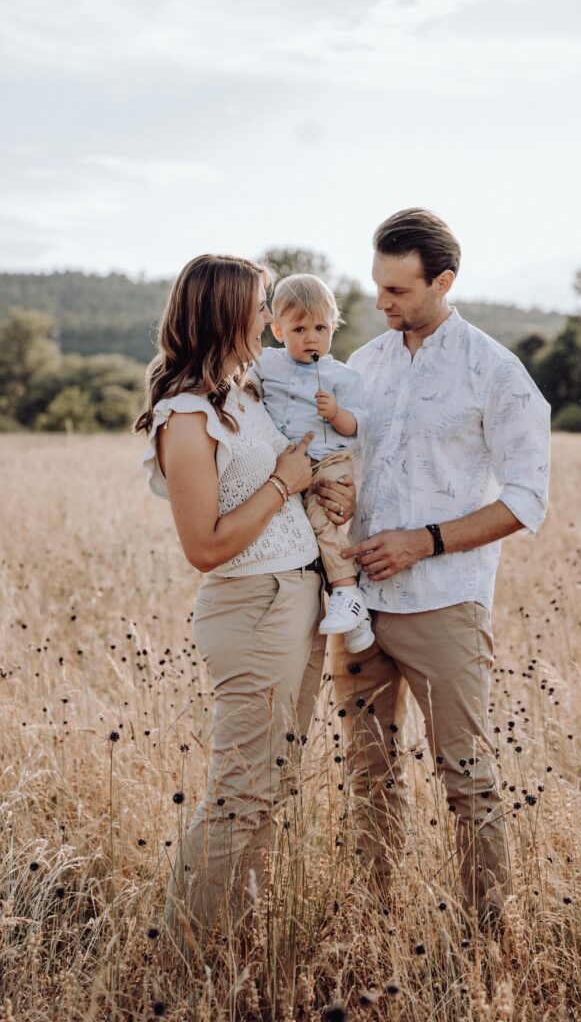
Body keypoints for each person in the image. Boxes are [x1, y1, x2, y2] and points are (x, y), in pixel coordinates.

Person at [329, 208, 551, 927]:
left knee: (468, 778)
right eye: (377, 288)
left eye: (396, 290)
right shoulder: (361, 367)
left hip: (444, 605)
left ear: (442, 281)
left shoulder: (496, 371)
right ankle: (373, 924)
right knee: (366, 778)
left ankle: (490, 935)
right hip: (357, 609)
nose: (381, 304)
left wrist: (422, 541)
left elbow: (525, 499)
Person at [133, 253, 355, 938]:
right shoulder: (186, 415)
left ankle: (239, 935)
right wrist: (285, 485)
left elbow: (289, 472)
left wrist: (320, 486)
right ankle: (186, 952)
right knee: (239, 791)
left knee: (274, 783)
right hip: (251, 605)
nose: (268, 319)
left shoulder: (243, 394)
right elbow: (204, 544)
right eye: (259, 306)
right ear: (226, 313)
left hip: (298, 598)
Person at [251, 273, 374, 654]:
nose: (311, 338)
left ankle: (347, 592)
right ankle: (358, 623)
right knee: (307, 536)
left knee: (324, 518)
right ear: (276, 330)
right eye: (299, 328)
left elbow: (358, 427)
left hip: (329, 459)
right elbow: (245, 383)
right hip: (292, 465)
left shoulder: (341, 376)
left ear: (333, 327)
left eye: (321, 327)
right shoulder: (268, 364)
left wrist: (336, 413)